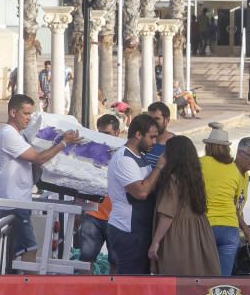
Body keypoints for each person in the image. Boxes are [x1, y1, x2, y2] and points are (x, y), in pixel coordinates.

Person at [0, 94, 80, 261]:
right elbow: (38, 158)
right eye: (25, 114)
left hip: (19, 201)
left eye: (30, 114)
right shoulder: (8, 134)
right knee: (30, 250)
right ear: (13, 112)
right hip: (14, 203)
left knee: (17, 253)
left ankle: (17, 284)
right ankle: (29, 285)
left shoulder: (19, 135)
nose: (28, 118)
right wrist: (63, 143)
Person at [148, 136, 220, 276]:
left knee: (177, 282)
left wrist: (155, 242)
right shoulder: (195, 177)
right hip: (200, 233)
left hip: (178, 236)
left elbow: (167, 214)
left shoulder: (172, 179)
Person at [106, 114, 164, 274]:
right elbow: (141, 192)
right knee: (130, 282)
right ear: (138, 134)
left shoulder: (141, 157)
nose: (154, 142)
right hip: (128, 229)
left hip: (140, 229)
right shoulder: (124, 159)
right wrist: (159, 167)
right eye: (151, 137)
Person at [200, 126, 250, 276]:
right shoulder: (232, 170)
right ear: (237, 152)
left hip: (212, 226)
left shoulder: (244, 175)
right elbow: (233, 205)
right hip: (229, 229)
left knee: (206, 276)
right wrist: (246, 230)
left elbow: (237, 207)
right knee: (223, 278)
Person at [78, 114, 121, 271]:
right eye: (100, 133)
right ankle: (83, 294)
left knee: (116, 262)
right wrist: (78, 209)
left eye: (107, 133)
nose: (103, 137)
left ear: (117, 132)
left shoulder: (124, 155)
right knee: (85, 260)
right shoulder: (91, 152)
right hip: (93, 215)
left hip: (116, 218)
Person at [144, 101, 174, 167]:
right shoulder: (142, 141)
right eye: (150, 119)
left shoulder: (174, 145)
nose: (152, 122)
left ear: (167, 120)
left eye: (157, 119)